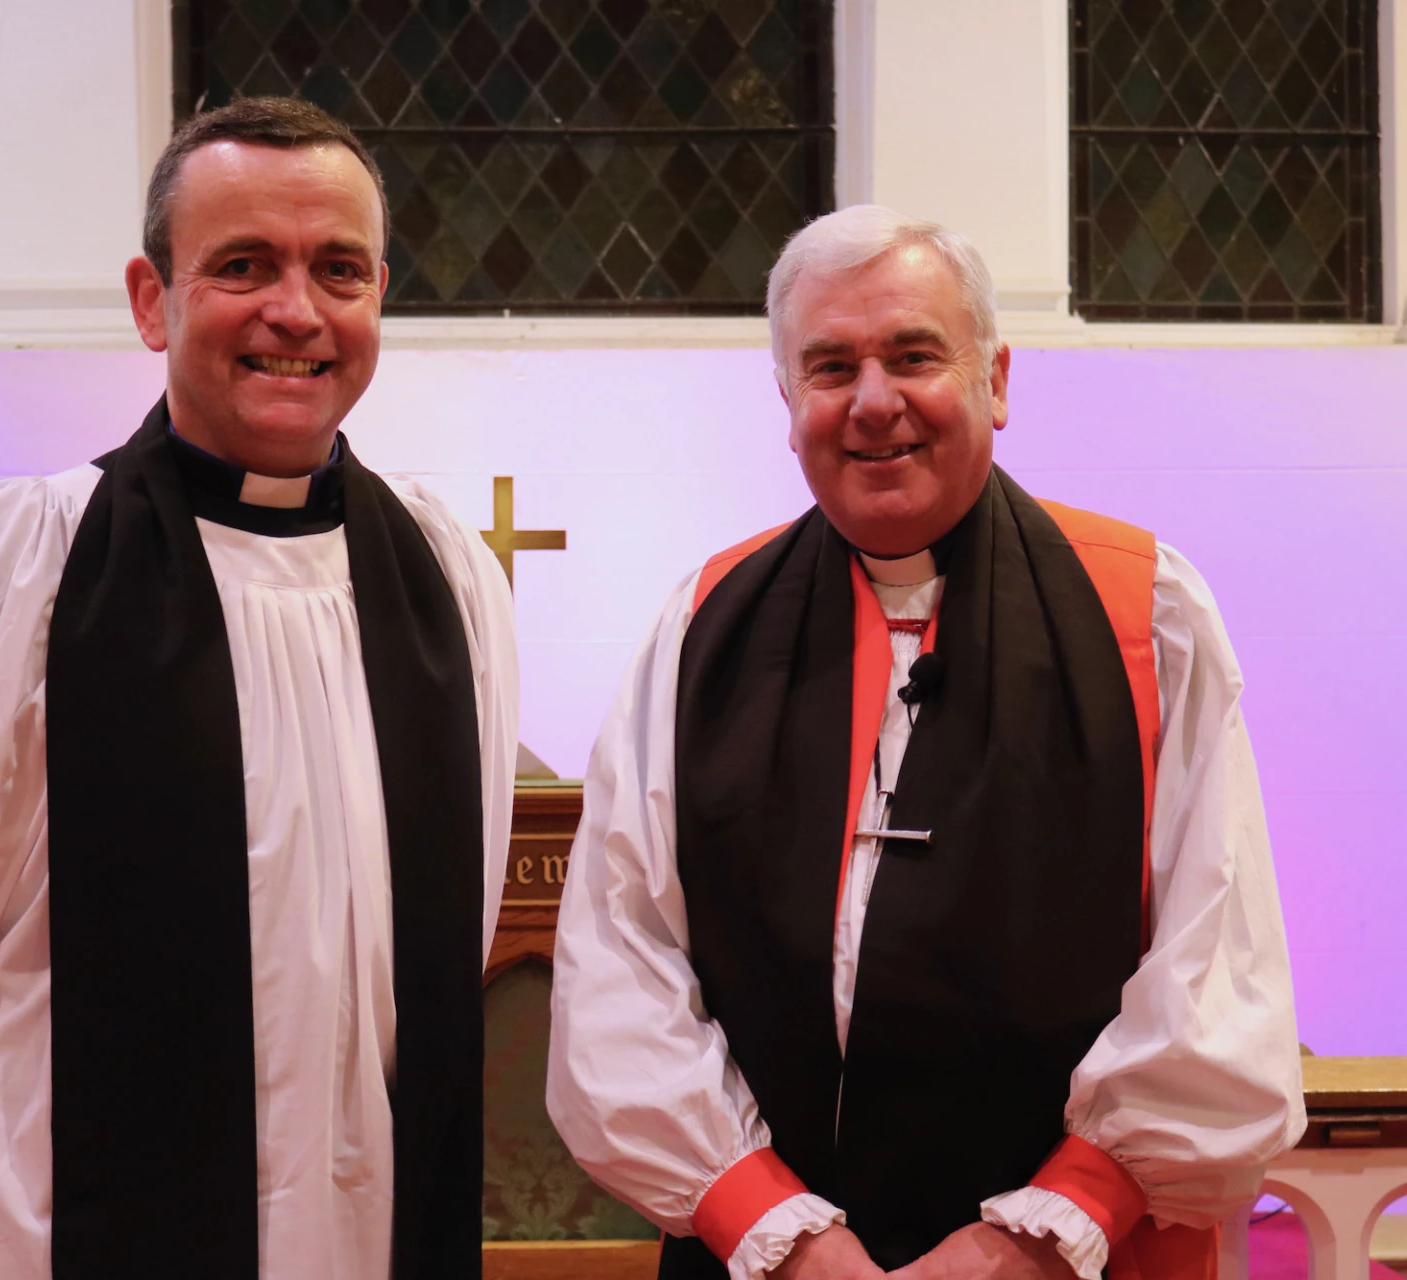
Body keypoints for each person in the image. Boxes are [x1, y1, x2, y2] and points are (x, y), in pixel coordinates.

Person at [0, 97, 517, 1280]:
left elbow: (447, 953)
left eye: (337, 269)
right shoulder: (13, 571)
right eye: (243, 265)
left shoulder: (450, 581)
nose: (296, 311)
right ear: (153, 299)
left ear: (378, 294)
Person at [545, 206, 1304, 1280]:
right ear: (786, 400)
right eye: (830, 366)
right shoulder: (703, 624)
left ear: (995, 379)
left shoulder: (1147, 612)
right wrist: (781, 1230)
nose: (872, 402)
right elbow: (620, 960)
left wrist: (1040, 1228)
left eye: (913, 355)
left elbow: (1218, 961)